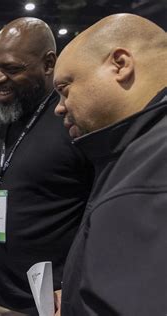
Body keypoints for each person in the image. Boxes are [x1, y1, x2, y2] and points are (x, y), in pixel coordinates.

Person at [0, 17, 93, 315]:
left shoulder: (75, 124)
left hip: (46, 305)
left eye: (12, 69)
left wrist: (76, 282)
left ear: (48, 64)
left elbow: (104, 216)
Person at [53, 14, 167, 315]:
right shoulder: (139, 151)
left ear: (120, 65)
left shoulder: (149, 177)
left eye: (65, 88)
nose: (59, 106)